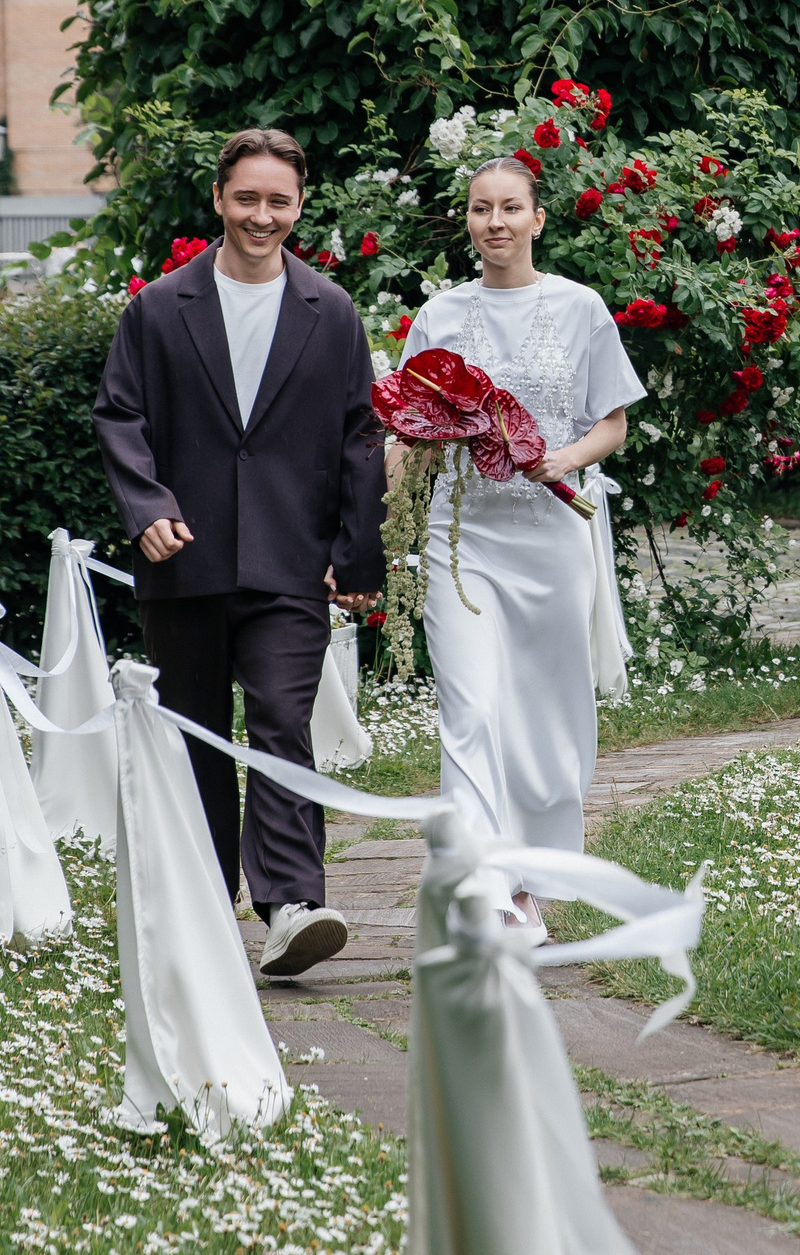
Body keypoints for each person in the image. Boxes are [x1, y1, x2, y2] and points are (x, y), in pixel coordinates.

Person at [94, 128, 387, 978]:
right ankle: (202, 898)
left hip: (290, 565)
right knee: (193, 738)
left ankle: (292, 904)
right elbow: (120, 417)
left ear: (300, 207)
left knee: (282, 725)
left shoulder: (330, 312)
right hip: (183, 563)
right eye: (248, 198)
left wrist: (354, 555)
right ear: (220, 200)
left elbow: (359, 438)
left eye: (280, 201)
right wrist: (146, 507)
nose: (263, 215)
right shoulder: (158, 309)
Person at [396, 155, 644, 941]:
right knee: (469, 707)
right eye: (479, 209)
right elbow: (406, 425)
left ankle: (533, 879)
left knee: (546, 714)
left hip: (553, 534)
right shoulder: (439, 315)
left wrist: (561, 459)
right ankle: (487, 887)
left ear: (538, 219)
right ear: (466, 221)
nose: (493, 222)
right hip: (462, 536)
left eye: (509, 208)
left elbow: (613, 422)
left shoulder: (580, 308)